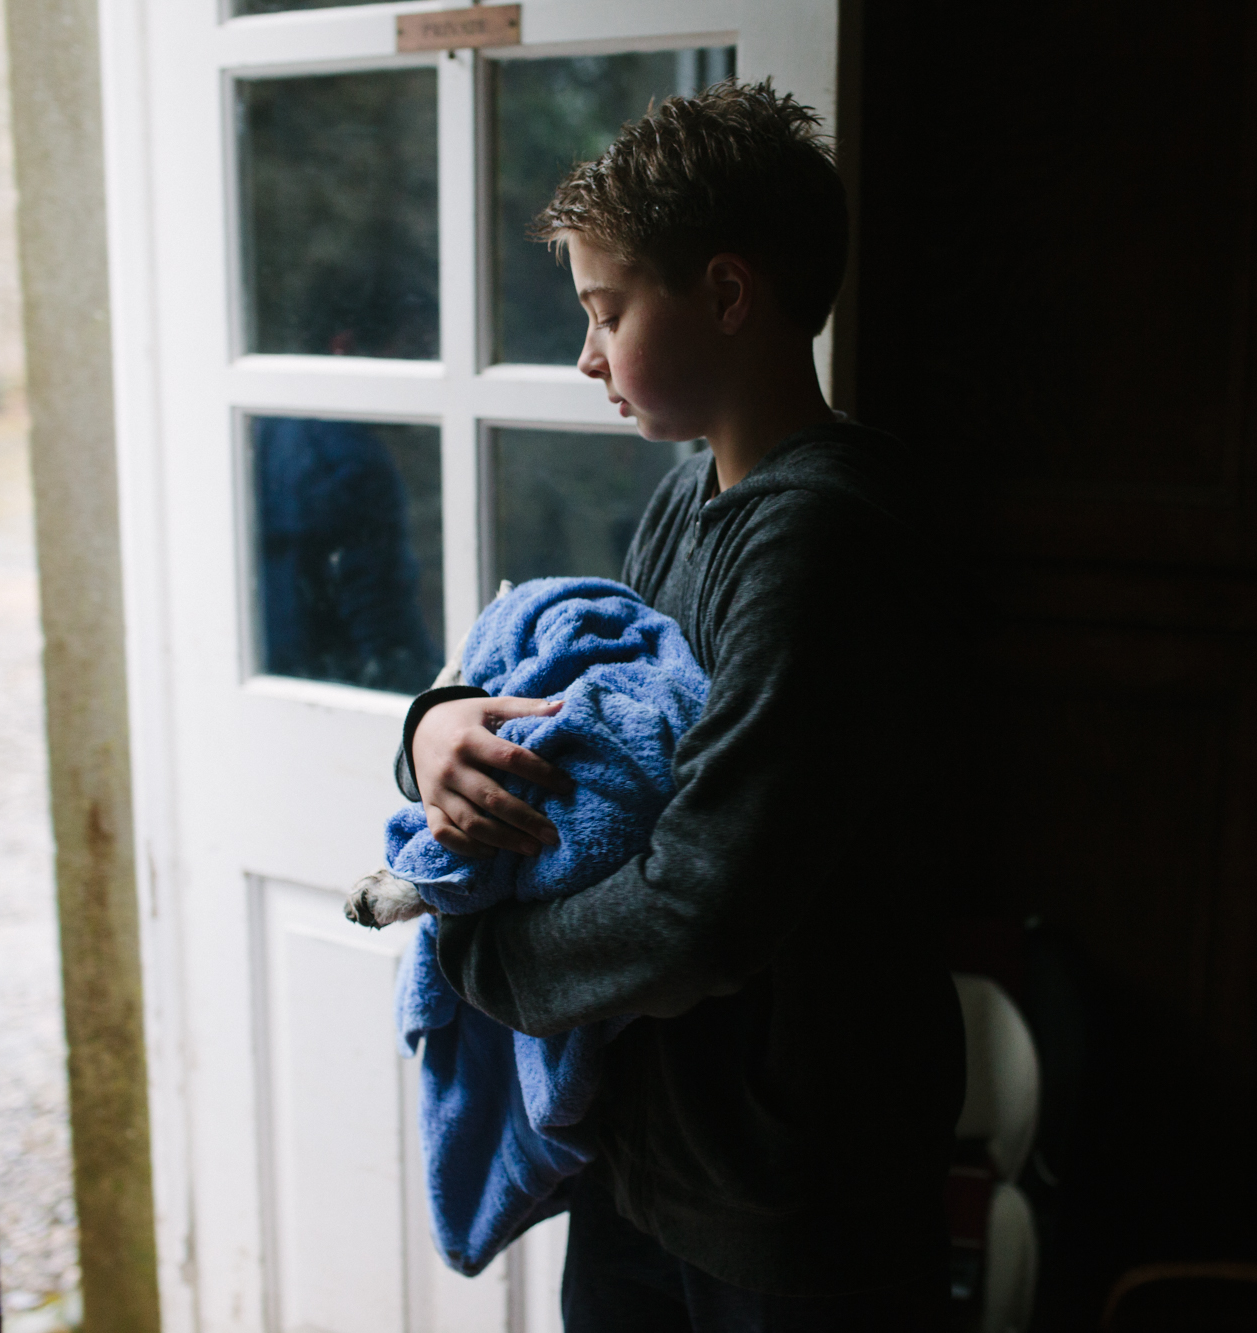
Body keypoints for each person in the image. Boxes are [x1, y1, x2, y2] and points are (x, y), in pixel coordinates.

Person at [396, 79, 964, 1331]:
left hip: (785, 1190)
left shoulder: (820, 539)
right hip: (651, 1155)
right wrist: (436, 728)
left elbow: (706, 903)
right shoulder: (687, 498)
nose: (585, 355)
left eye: (606, 311)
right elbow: (585, 698)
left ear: (723, 296)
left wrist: (478, 953)